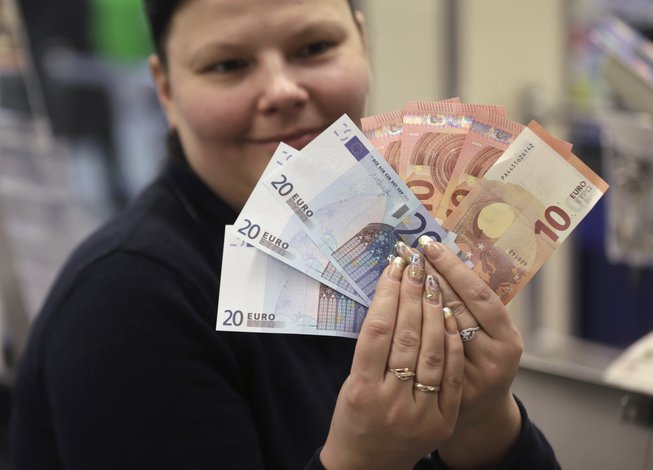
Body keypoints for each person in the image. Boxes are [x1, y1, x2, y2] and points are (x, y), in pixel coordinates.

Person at [10, 0, 560, 468]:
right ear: (166, 90)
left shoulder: (383, 238)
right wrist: (363, 460)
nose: (282, 90)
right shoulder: (125, 302)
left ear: (362, 44)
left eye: (313, 48)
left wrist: (486, 425)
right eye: (228, 64)